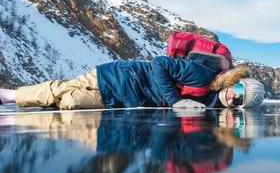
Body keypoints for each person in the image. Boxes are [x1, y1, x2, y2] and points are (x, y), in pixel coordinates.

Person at [0, 55, 265, 110]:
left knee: (69, 103)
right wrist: (175, 102)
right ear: (235, 82)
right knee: (61, 90)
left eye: (240, 101)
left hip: (125, 96)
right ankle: (8, 95)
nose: (234, 97)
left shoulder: (210, 104)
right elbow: (160, 63)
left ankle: (17, 101)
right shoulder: (203, 76)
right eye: (238, 90)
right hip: (122, 75)